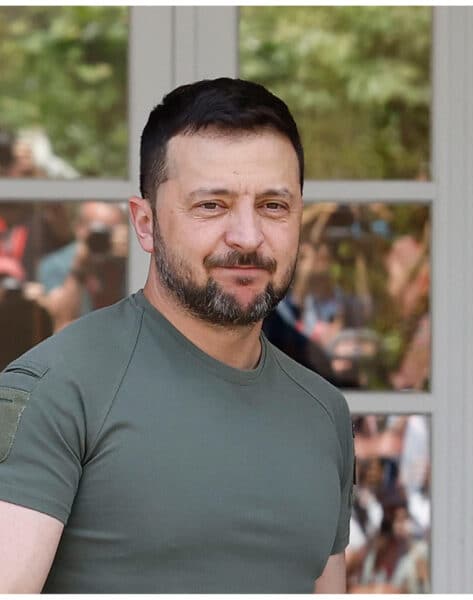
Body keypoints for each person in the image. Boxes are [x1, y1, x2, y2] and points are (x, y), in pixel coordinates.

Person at [0, 78, 354, 593]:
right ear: (145, 224)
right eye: (211, 205)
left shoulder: (324, 414)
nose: (248, 237)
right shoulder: (55, 390)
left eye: (274, 206)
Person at [36, 201, 129, 330]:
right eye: (97, 231)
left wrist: (131, 254)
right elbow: (62, 321)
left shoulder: (130, 262)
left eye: (108, 232)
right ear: (78, 227)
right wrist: (79, 266)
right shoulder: (56, 264)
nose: (101, 239)